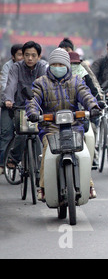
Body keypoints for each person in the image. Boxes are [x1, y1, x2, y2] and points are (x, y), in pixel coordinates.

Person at [26, 48, 101, 201]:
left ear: (67, 65)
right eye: (55, 64)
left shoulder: (76, 80)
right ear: (50, 65)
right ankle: (44, 188)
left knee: (83, 152)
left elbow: (86, 94)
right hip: (50, 127)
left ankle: (89, 185)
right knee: (48, 151)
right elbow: (33, 99)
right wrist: (33, 112)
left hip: (74, 126)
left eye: (61, 64)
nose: (58, 67)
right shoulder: (40, 83)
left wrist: (93, 106)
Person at [0, 41, 47, 171]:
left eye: (33, 55)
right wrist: (8, 99)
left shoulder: (43, 67)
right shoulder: (16, 67)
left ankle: (40, 166)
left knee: (40, 135)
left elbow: (46, 85)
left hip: (39, 107)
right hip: (20, 107)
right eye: (27, 55)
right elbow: (11, 85)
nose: (30, 58)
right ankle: (14, 158)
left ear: (39, 56)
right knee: (21, 133)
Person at [0, 44, 24, 175]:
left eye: (24, 54)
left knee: (30, 134)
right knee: (6, 133)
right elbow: (5, 85)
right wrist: (9, 100)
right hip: (9, 104)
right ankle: (1, 164)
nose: (23, 58)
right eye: (19, 55)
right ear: (13, 57)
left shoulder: (32, 66)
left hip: (26, 106)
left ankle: (35, 166)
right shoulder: (7, 67)